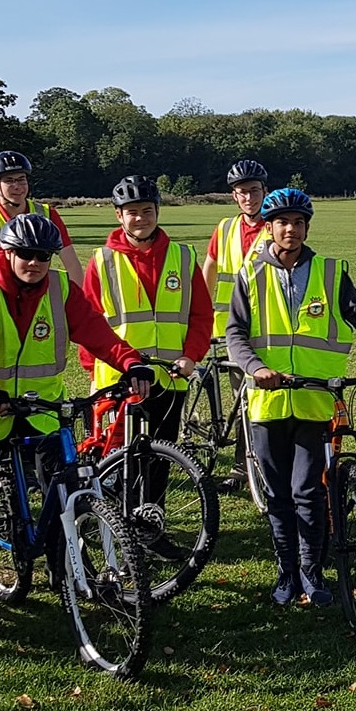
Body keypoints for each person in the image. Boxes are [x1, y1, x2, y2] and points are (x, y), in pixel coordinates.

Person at [0, 213, 153, 646]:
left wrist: (130, 361)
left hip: (41, 410)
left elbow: (95, 331)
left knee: (64, 484)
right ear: (7, 252)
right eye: (26, 255)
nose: (35, 264)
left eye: (43, 256)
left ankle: (64, 572)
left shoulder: (58, 288)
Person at [223, 188, 356, 607]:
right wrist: (256, 368)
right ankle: (286, 571)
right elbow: (234, 334)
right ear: (269, 227)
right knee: (277, 494)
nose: (291, 229)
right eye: (282, 222)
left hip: (315, 401)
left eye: (298, 222)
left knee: (308, 491)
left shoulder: (330, 271)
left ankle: (311, 571)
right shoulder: (250, 274)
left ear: (307, 227)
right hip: (266, 405)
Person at [78, 176, 215, 559]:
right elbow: (87, 322)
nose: (140, 219)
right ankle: (115, 530)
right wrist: (94, 371)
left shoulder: (184, 257)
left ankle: (151, 531)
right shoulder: (102, 261)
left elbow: (200, 316)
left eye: (147, 211)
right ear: (119, 215)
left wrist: (191, 355)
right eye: (132, 213)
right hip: (119, 383)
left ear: (157, 212)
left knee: (159, 461)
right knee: (117, 462)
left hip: (170, 379)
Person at [0, 150, 82, 284]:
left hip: (41, 292)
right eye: (9, 181)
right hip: (6, 295)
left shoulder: (47, 214)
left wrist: (75, 300)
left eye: (21, 180)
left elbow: (72, 264)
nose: (17, 186)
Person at [205, 159, 272, 345]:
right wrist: (202, 309)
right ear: (234, 196)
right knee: (235, 374)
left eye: (254, 190)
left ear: (265, 191)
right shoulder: (225, 227)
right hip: (230, 325)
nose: (249, 198)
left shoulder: (276, 228)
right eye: (242, 192)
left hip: (268, 323)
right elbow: (210, 267)